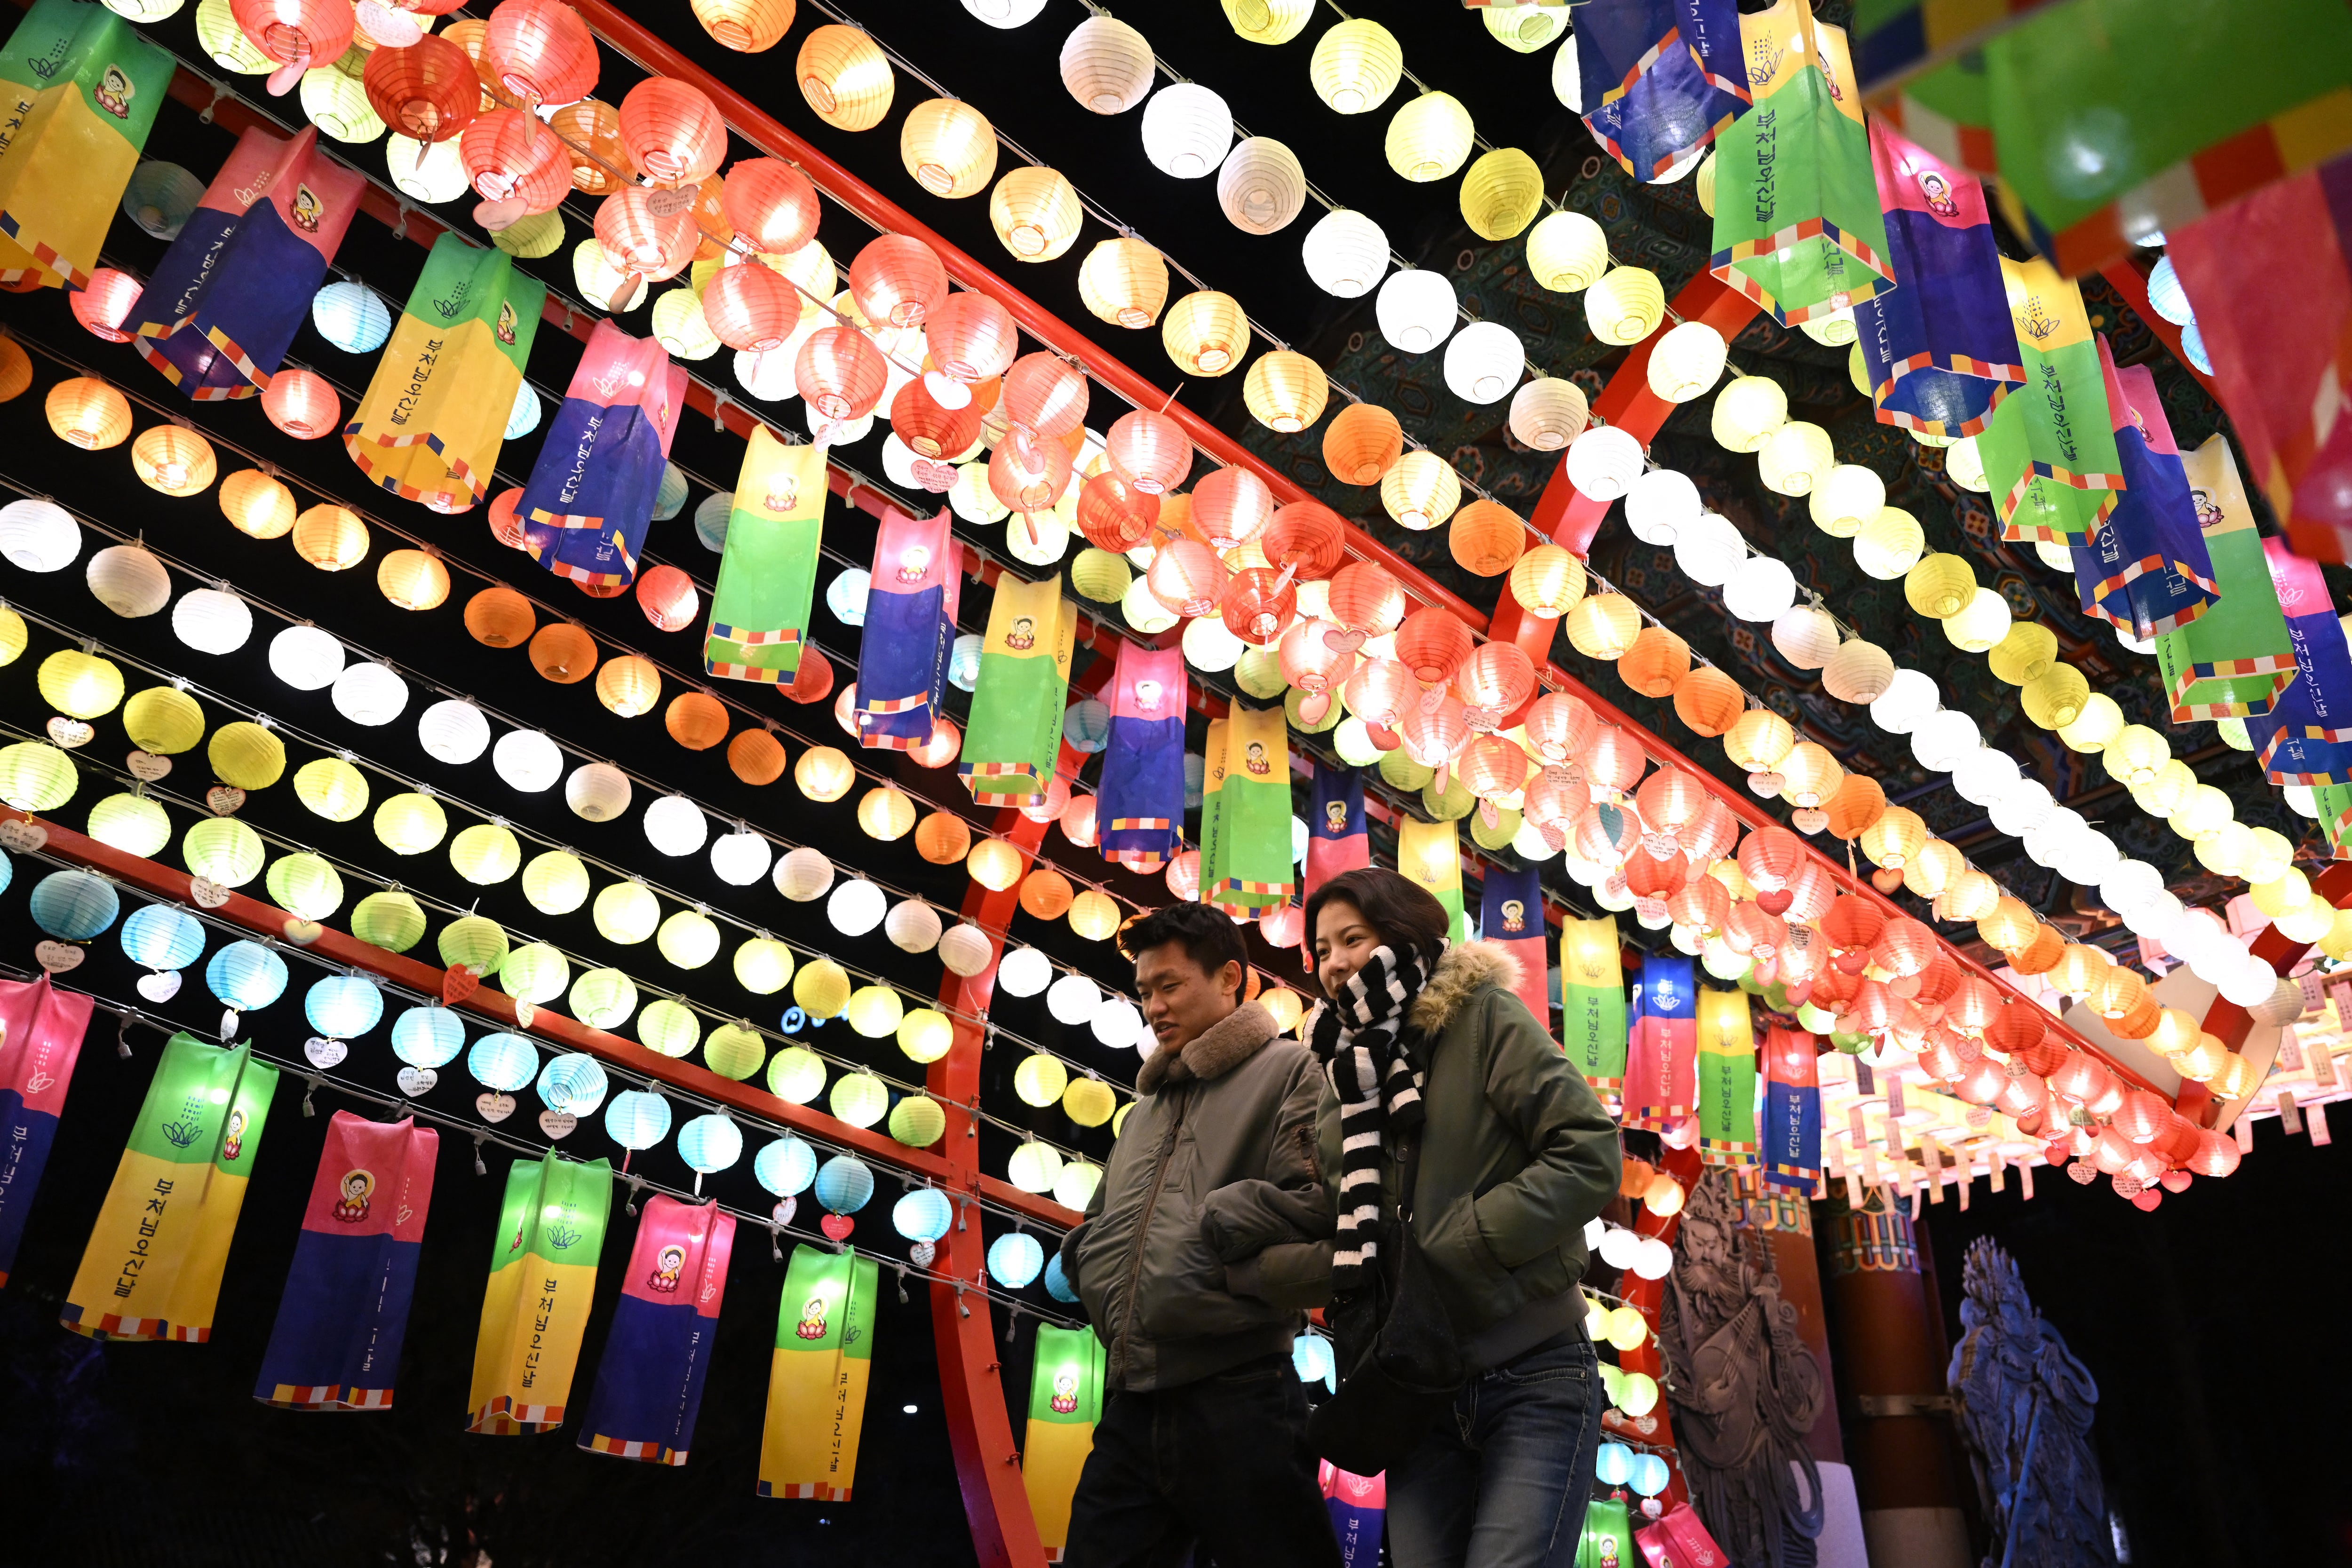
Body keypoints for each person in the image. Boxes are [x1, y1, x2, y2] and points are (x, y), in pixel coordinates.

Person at [1306, 867, 1621, 1568]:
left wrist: (1460, 1249)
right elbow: (1344, 1217)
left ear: (1404, 934)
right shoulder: (1339, 1078)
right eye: (1322, 949)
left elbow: (1590, 1152)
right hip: (1419, 1386)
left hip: (1533, 1367)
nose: (1335, 964)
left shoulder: (1482, 1017)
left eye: (1352, 939)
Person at [1058, 902, 1341, 1568]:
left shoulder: (1291, 1070)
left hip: (1240, 1392)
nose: (1154, 1006)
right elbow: (1101, 1223)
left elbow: (1320, 1206)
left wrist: (1218, 1231)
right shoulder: (1147, 1106)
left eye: (1171, 985)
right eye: (1144, 991)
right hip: (1133, 1397)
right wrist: (1087, 1258)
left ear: (1231, 979)